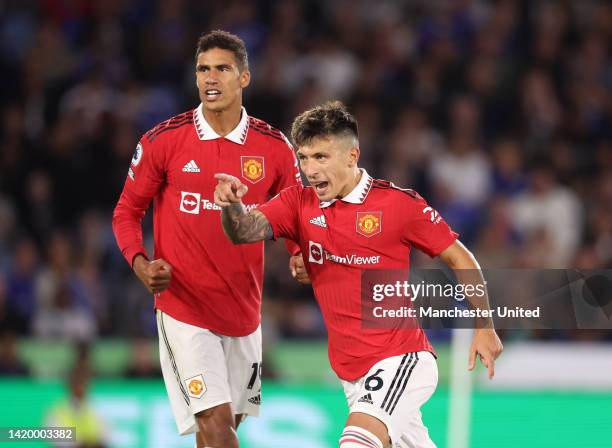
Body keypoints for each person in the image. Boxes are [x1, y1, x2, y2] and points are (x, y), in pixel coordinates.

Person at [214, 101, 503, 448]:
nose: (310, 169)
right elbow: (243, 231)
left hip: (401, 359)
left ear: (352, 156)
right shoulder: (297, 203)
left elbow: (460, 258)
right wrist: (230, 206)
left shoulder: (397, 204)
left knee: (355, 443)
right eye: (304, 158)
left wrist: (484, 325)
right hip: (351, 374)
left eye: (321, 157)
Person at [112, 30, 300, 448]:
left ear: (244, 78)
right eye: (202, 69)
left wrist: (299, 254)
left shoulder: (274, 148)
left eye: (222, 68)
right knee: (216, 424)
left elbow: (298, 214)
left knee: (220, 429)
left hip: (243, 312)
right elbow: (126, 212)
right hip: (184, 306)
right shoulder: (163, 141)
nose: (210, 78)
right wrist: (140, 263)